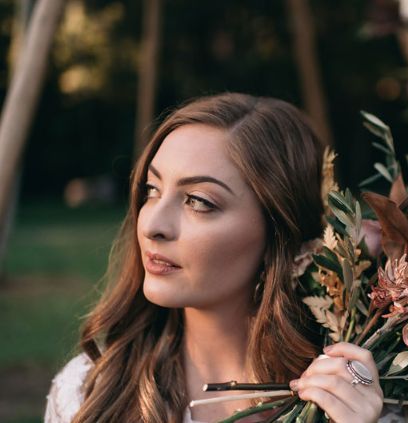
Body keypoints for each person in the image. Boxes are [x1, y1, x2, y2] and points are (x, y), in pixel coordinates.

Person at [44, 93, 385, 422]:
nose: (152, 226)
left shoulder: (362, 401)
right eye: (152, 189)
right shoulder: (88, 395)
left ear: (277, 234)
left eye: (198, 201)